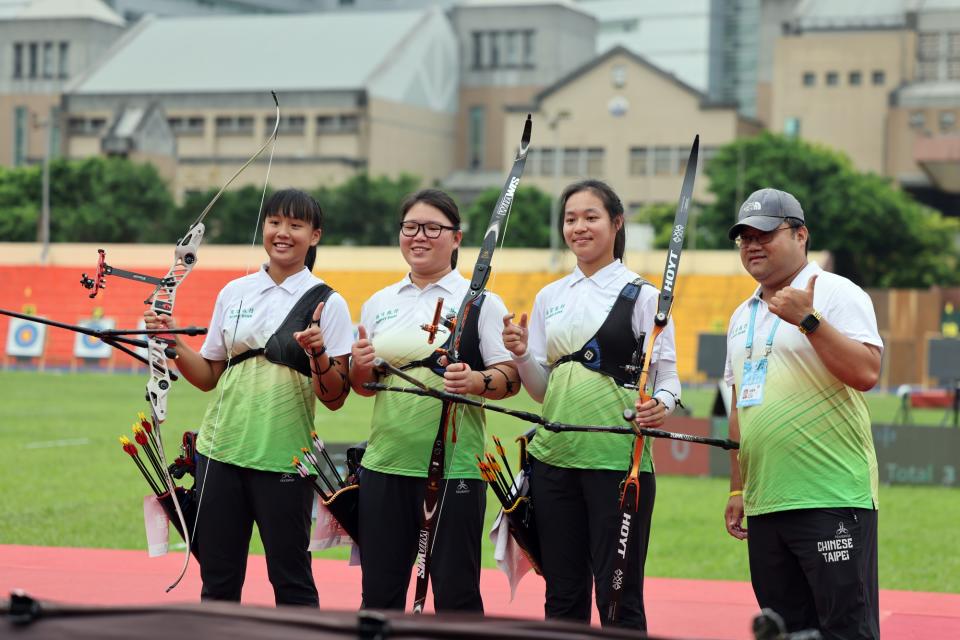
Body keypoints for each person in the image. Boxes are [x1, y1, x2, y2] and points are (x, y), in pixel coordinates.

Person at [144, 189, 354, 606]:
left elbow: (335, 396)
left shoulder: (327, 303)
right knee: (218, 582)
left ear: (315, 236)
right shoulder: (234, 292)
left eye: (295, 225)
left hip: (285, 457)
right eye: (275, 222)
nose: (283, 233)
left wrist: (317, 354)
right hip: (219, 453)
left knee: (291, 580)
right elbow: (208, 376)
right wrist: (171, 341)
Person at [501, 179, 681, 630]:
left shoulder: (643, 296)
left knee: (619, 595)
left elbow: (668, 378)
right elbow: (542, 391)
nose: (578, 227)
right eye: (570, 219)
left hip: (618, 463)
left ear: (616, 223)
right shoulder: (550, 297)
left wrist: (661, 403)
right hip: (553, 463)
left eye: (590, 217)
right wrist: (522, 354)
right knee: (563, 594)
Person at [349, 188, 521, 612]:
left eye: (432, 228)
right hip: (384, 466)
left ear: (457, 238)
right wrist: (360, 366)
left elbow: (509, 377)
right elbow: (363, 385)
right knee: (379, 597)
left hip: (455, 469)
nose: (419, 237)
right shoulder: (379, 303)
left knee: (457, 597)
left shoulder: (480, 302)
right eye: (410, 227)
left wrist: (477, 381)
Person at [722, 188, 883, 639]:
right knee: (783, 630)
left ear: (800, 235)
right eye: (744, 237)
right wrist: (737, 487)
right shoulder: (741, 315)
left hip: (831, 497)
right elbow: (739, 405)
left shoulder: (835, 292)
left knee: (845, 629)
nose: (753, 245)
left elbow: (867, 372)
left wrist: (809, 320)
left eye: (766, 234)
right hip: (767, 501)